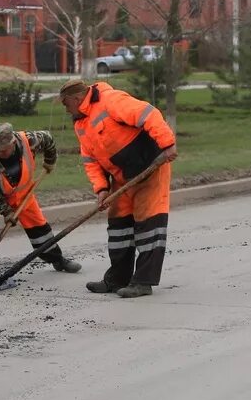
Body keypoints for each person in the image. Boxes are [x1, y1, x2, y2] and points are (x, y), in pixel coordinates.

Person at [59, 79, 178, 299]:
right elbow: (90, 160)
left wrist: (167, 144)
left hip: (150, 167)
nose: (65, 109)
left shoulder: (110, 100)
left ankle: (143, 282)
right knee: (118, 227)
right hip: (122, 178)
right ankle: (117, 279)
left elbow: (148, 114)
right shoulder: (81, 123)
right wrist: (102, 189)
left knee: (148, 225)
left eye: (66, 104)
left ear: (76, 98)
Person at [0, 122, 80, 277]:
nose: (1, 153)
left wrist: (50, 161)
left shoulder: (29, 140)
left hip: (23, 193)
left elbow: (48, 139)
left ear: (13, 143)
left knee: (39, 228)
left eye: (4, 150)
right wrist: (7, 212)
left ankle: (57, 259)